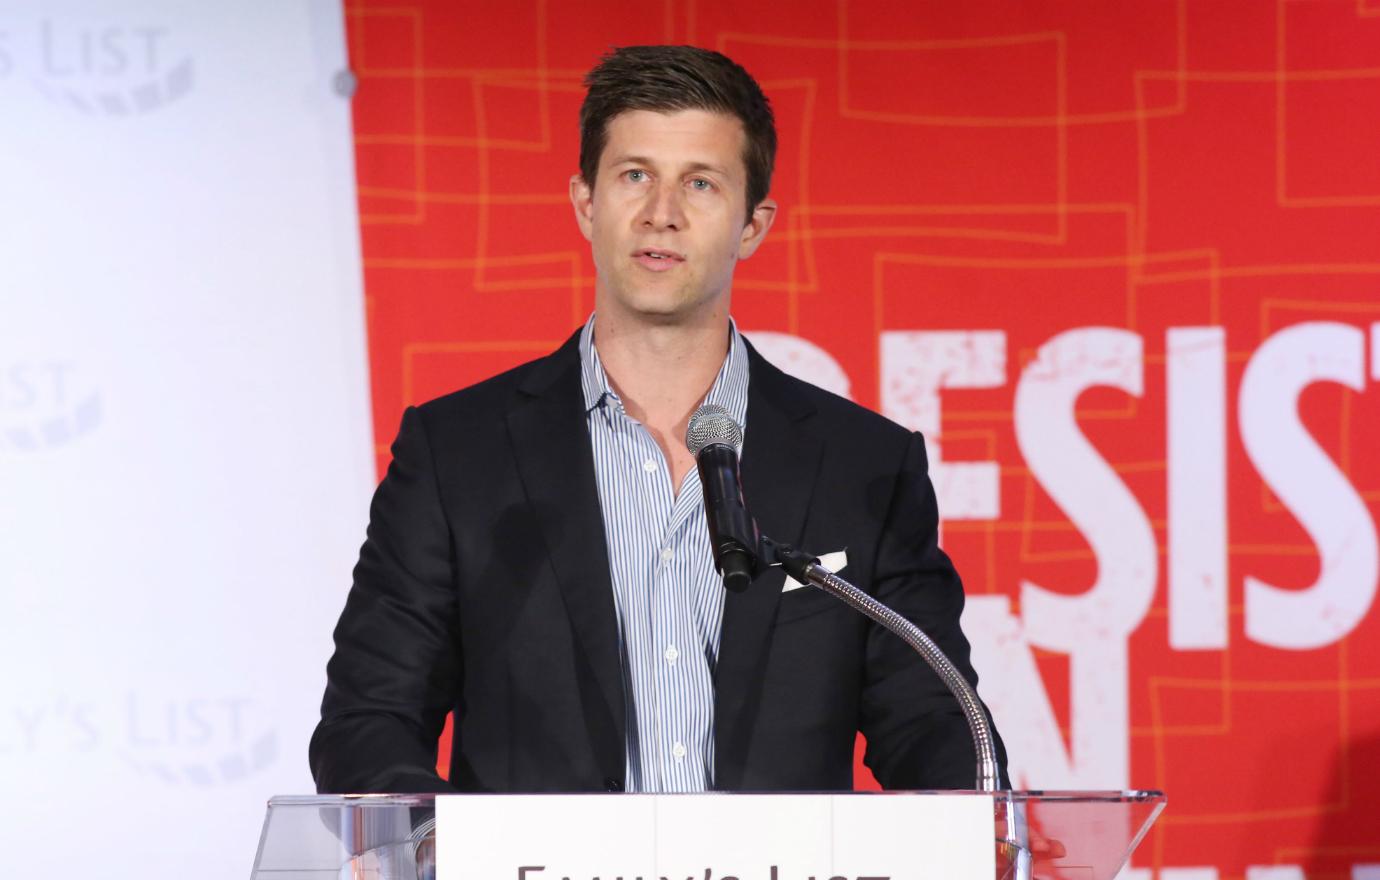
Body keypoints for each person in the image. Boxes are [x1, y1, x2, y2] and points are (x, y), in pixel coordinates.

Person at [310, 44, 1006, 795]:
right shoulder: (458, 455)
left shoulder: (863, 464)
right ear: (586, 202)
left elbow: (936, 722)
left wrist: (978, 822)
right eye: (634, 175)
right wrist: (438, 852)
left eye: (700, 183)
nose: (661, 214)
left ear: (753, 225)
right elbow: (369, 720)